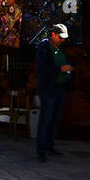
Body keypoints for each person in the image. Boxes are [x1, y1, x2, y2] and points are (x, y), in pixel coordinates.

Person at [35, 24, 73, 160]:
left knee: (55, 119)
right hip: (48, 89)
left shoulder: (60, 48)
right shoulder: (44, 48)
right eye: (60, 37)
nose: (63, 40)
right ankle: (41, 150)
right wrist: (60, 69)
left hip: (60, 88)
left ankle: (49, 145)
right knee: (46, 118)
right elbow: (42, 70)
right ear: (53, 34)